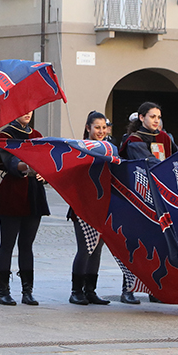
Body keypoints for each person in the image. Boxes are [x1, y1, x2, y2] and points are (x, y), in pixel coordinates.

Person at [0, 110, 48, 305]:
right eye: (23, 109)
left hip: (34, 193)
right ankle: (2, 291)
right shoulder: (5, 136)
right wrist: (28, 167)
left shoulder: (37, 136)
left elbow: (46, 162)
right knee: (7, 244)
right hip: (12, 192)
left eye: (30, 109)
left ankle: (27, 291)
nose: (27, 113)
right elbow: (10, 162)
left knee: (27, 245)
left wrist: (43, 174)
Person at [69, 112, 116, 306]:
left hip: (102, 205)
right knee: (85, 249)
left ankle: (91, 290)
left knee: (97, 250)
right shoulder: (80, 148)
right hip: (82, 206)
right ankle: (76, 291)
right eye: (97, 127)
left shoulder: (111, 148)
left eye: (104, 128)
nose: (101, 131)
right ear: (88, 128)